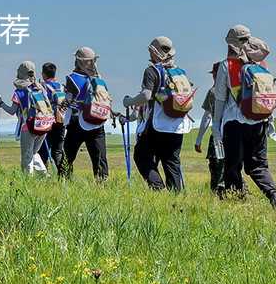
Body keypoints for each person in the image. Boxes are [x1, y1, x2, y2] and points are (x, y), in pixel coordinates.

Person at [211, 25, 276, 211]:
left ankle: (237, 205)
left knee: (233, 166)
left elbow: (219, 99)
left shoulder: (226, 66)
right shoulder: (262, 66)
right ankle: (273, 193)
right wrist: (270, 122)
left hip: (234, 124)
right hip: (260, 121)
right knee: (258, 166)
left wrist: (216, 126)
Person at [123, 37, 193, 191]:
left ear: (154, 52)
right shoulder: (180, 72)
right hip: (178, 125)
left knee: (141, 156)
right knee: (172, 162)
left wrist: (129, 102)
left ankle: (157, 188)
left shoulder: (152, 71)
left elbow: (146, 96)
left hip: (158, 124)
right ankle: (176, 198)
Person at [63, 47, 112, 182]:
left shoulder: (72, 79)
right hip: (97, 121)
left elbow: (68, 99)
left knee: (68, 156)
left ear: (78, 61)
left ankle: (64, 182)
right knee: (100, 157)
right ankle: (102, 185)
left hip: (77, 122)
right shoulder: (99, 79)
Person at [0, 61, 50, 174]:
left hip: (28, 126)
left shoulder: (18, 92)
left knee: (27, 156)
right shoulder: (41, 88)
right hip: (44, 125)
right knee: (34, 153)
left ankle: (27, 179)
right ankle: (43, 174)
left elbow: (11, 111)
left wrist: (0, 103)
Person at [195, 63, 226, 195]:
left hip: (218, 136)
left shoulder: (213, 92)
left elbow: (207, 117)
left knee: (216, 166)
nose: (213, 76)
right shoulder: (234, 90)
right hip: (234, 134)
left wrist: (198, 139)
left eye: (214, 74)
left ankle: (217, 195)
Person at [38, 62, 68, 174]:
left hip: (49, 122)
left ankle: (43, 176)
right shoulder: (61, 86)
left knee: (43, 150)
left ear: (43, 74)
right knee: (58, 150)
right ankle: (64, 176)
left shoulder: (44, 87)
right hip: (61, 121)